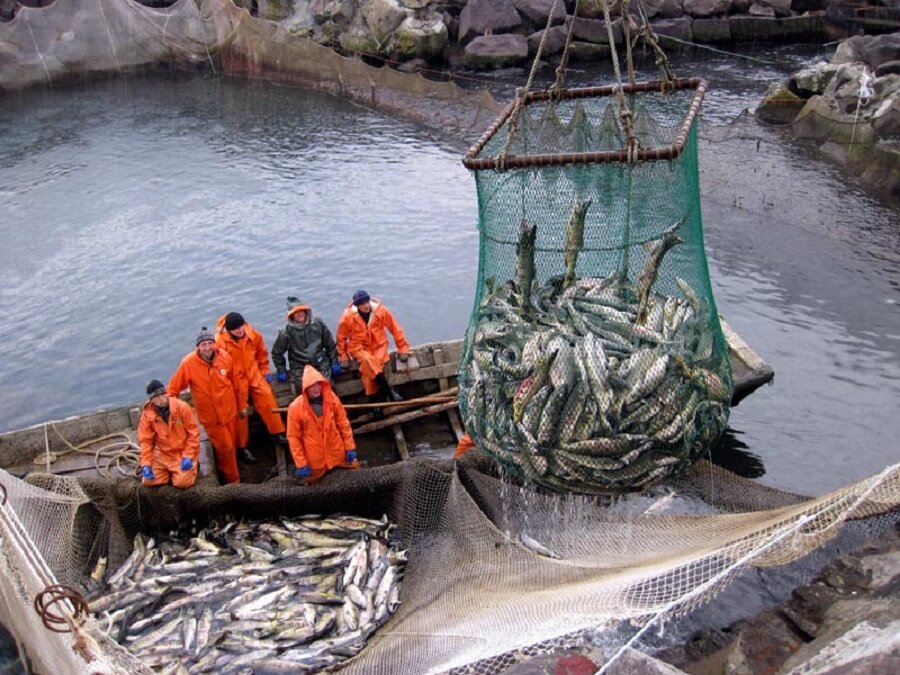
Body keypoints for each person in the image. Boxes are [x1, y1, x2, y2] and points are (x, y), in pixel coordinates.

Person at [168, 327, 242, 484]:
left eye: (210, 343)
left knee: (231, 446)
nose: (207, 348)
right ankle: (234, 483)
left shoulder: (225, 358)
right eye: (203, 345)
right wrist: (172, 413)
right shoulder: (188, 363)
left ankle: (229, 470)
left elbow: (236, 384)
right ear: (198, 347)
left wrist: (241, 406)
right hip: (211, 418)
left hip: (230, 413)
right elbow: (172, 390)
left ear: (214, 344)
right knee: (226, 449)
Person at [216, 311, 287, 462]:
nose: (240, 330)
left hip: (253, 374)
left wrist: (265, 370)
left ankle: (277, 432)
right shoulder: (220, 343)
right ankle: (242, 447)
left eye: (241, 326)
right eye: (236, 329)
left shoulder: (253, 334)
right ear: (229, 330)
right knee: (241, 412)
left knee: (267, 398)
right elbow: (218, 368)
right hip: (235, 381)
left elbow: (262, 353)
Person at [339, 290, 411, 405]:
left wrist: (402, 347)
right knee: (368, 361)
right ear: (357, 305)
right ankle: (389, 391)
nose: (366, 305)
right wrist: (343, 355)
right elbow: (341, 338)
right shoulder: (348, 316)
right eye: (362, 304)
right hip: (359, 348)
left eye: (367, 302)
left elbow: (395, 328)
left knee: (369, 375)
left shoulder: (381, 311)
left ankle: (376, 407)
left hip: (379, 346)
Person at [287, 365, 357, 482]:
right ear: (305, 388)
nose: (316, 388)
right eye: (311, 386)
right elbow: (294, 438)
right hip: (315, 464)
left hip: (338, 457)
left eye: (318, 384)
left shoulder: (332, 398)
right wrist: (301, 464)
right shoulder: (295, 408)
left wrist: (350, 447)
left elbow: (343, 423)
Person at [138, 379, 201, 488]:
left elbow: (194, 434)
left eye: (163, 394)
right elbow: (145, 441)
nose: (161, 399)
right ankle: (170, 473)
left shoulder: (182, 407)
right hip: (162, 453)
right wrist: (146, 464)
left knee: (183, 483)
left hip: (182, 451)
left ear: (166, 393)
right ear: (151, 400)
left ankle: (193, 465)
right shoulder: (146, 415)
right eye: (156, 397)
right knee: (147, 481)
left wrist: (188, 456)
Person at [271, 297, 341, 391]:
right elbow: (277, 353)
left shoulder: (318, 324)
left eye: (301, 311)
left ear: (306, 311)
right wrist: (281, 370)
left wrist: (334, 361)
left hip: (320, 363)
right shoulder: (286, 332)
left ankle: (331, 404)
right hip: (300, 367)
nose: (299, 314)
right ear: (291, 315)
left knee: (327, 386)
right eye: (296, 312)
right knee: (305, 389)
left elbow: (330, 344)